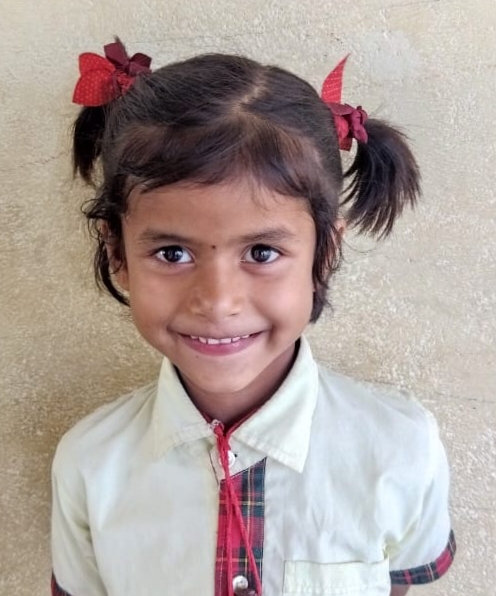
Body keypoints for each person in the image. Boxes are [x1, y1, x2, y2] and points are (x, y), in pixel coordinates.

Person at [51, 38, 456, 596]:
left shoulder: (401, 447)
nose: (218, 302)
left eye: (262, 253)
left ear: (325, 253)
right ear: (117, 252)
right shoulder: (88, 464)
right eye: (172, 253)